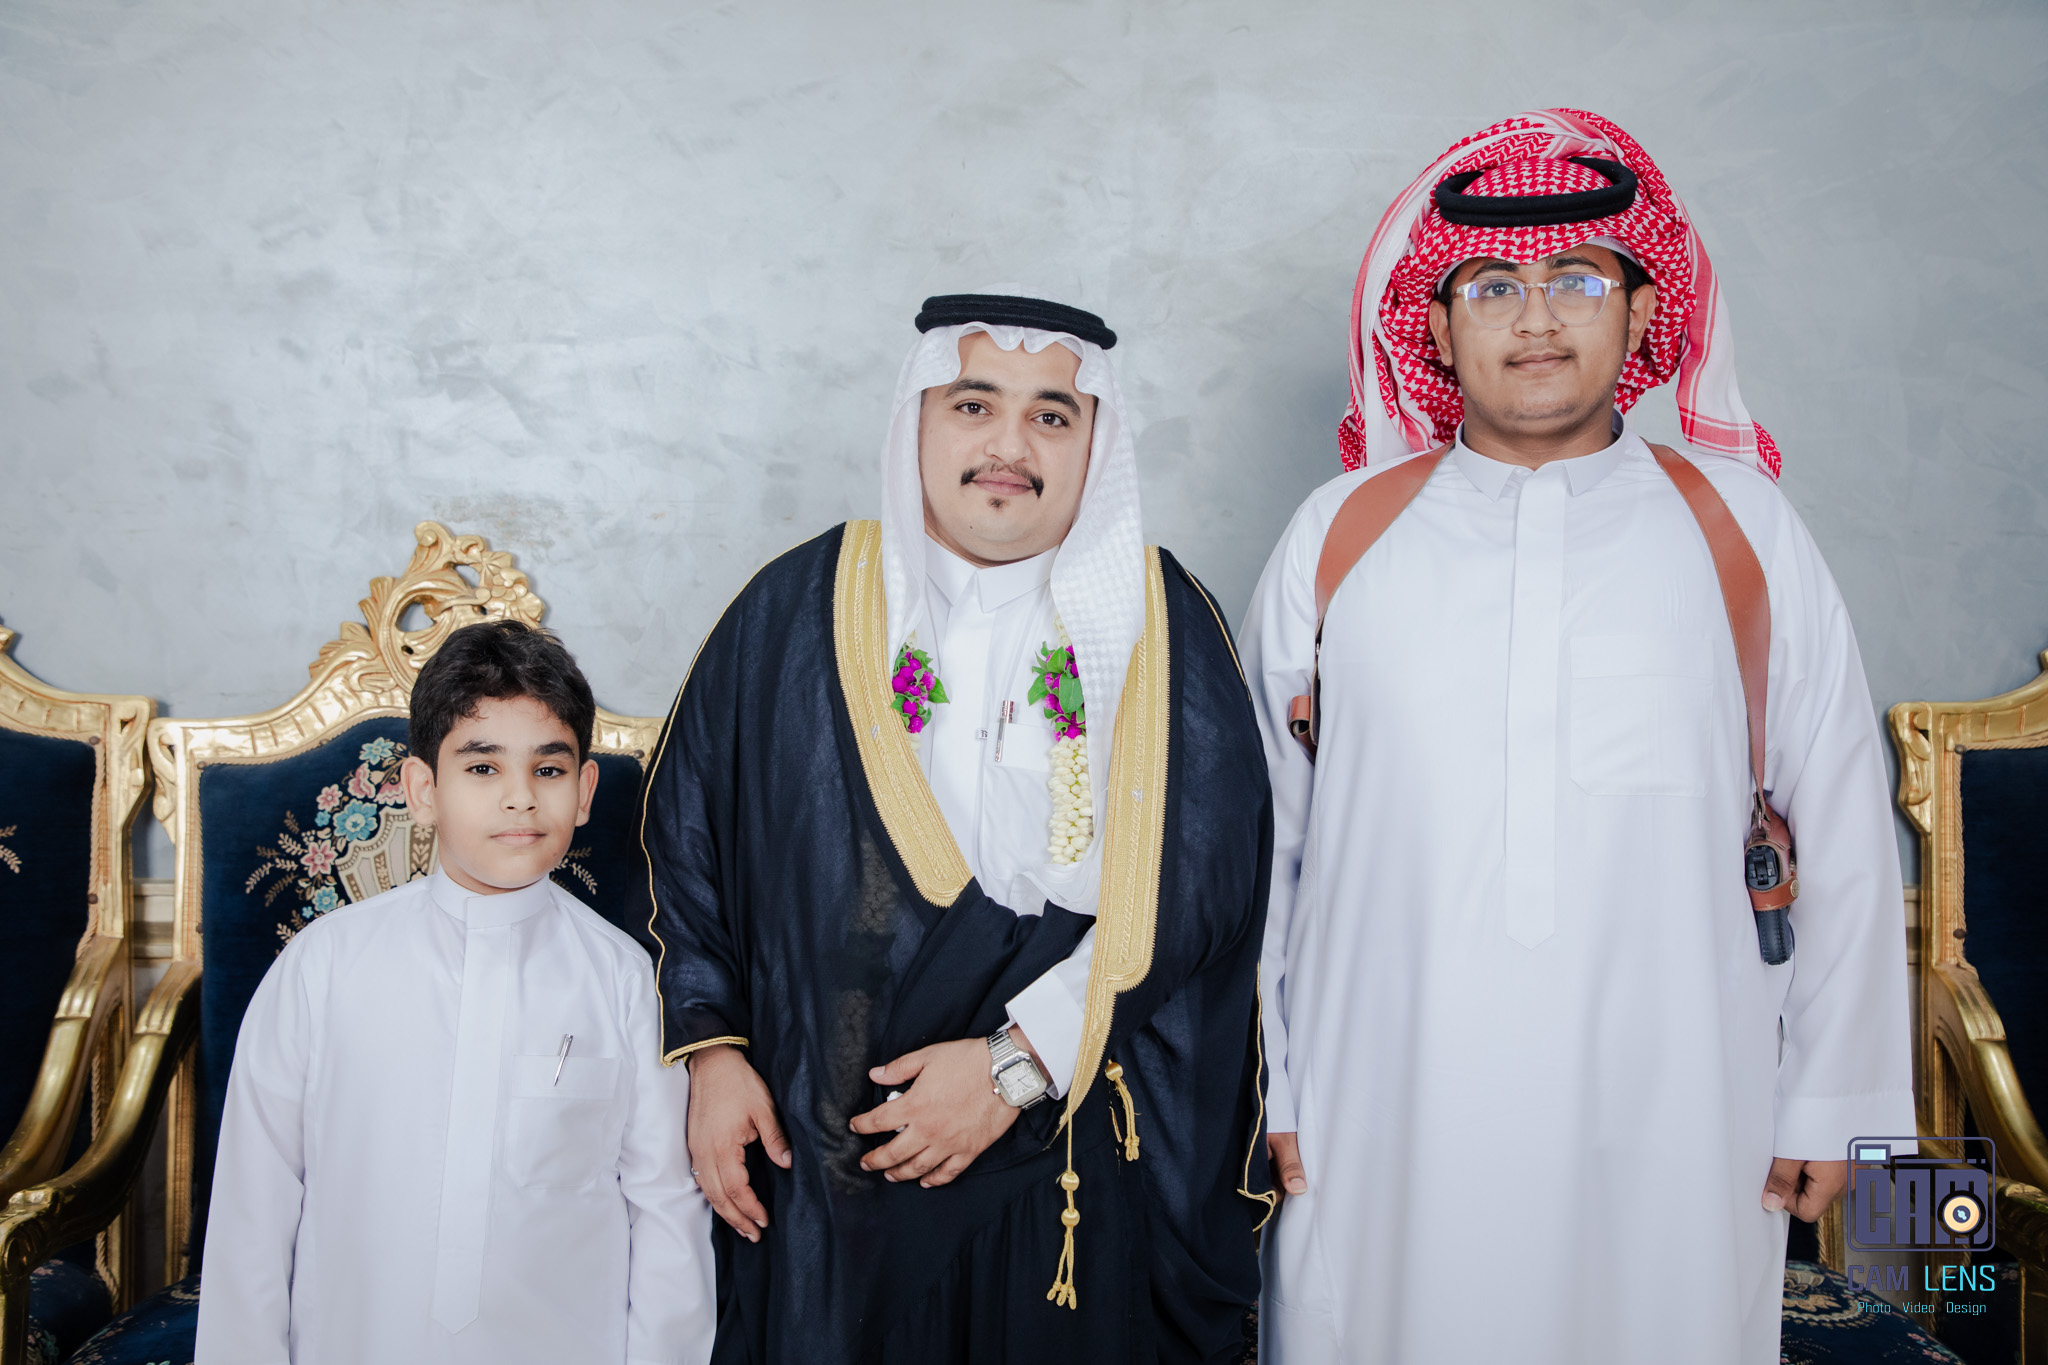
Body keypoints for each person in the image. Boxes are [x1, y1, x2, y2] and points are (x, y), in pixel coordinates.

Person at [1243, 110, 1912, 1364]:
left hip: (1678, 1103)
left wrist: (1836, 1100)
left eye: (1575, 280)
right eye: (1492, 287)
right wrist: (1267, 1087)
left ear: (1641, 311)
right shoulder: (1336, 537)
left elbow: (1838, 821)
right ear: (1437, 326)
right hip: (1377, 1097)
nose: (1535, 319)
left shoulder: (1743, 530)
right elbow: (1257, 848)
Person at [640, 289, 1274, 1363]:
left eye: (1051, 416)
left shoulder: (1160, 624)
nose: (1008, 447)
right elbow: (686, 835)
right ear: (918, 421)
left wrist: (1015, 1064)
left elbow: (1206, 884)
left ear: (1094, 443)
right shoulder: (796, 608)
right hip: (829, 1139)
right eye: (974, 405)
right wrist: (713, 1054)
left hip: (1064, 1142)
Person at [195, 620, 714, 1365]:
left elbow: (666, 1214)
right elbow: (255, 1205)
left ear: (585, 792)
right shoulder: (322, 968)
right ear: (422, 790)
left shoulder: (627, 983)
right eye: (482, 767)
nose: (520, 798)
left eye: (548, 769)